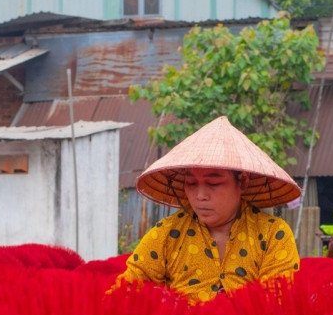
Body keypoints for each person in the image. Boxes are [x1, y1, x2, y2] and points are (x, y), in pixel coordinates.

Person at [114, 115, 302, 302]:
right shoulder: (166, 235)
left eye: (213, 183)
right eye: (191, 183)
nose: (200, 195)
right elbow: (124, 292)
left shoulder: (273, 235)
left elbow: (279, 304)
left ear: (242, 181)